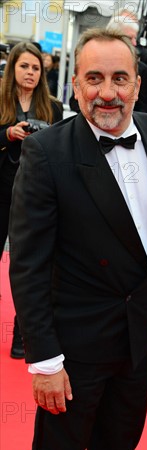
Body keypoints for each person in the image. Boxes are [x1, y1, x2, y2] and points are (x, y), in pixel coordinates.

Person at [9, 28, 147, 450]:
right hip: (74, 347)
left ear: (138, 84)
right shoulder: (48, 152)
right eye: (94, 78)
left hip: (138, 341)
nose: (107, 92)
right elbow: (27, 262)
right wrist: (44, 360)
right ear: (75, 88)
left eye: (119, 78)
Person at [0, 41, 63, 359]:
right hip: (1, 190)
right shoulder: (0, 101)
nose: (30, 73)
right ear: (13, 68)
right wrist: (7, 134)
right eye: (24, 66)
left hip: (36, 196)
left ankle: (22, 335)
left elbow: (61, 148)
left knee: (34, 267)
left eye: (36, 67)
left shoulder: (53, 106)